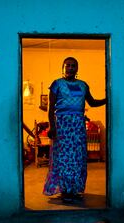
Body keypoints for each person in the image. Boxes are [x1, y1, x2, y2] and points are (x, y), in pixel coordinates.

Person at [43, 57, 106, 203]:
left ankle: (75, 189)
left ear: (77, 68)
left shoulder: (83, 85)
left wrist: (107, 99)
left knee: (78, 157)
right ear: (63, 68)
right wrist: (52, 126)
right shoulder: (57, 84)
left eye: (73, 66)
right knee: (64, 158)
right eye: (68, 65)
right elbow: (50, 108)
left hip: (78, 126)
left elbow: (92, 102)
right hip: (63, 126)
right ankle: (65, 190)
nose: (70, 68)